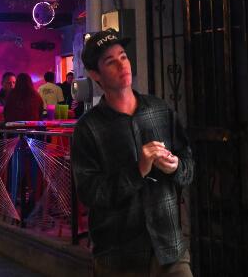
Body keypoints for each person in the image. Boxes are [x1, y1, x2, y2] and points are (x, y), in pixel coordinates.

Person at [72, 29, 194, 276]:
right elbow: (90, 192)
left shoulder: (159, 110)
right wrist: (138, 170)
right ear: (96, 75)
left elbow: (188, 162)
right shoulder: (89, 128)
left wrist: (176, 166)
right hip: (119, 255)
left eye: (123, 56)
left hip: (169, 247)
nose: (121, 64)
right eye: (110, 61)